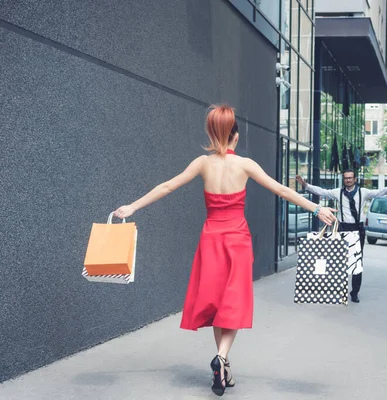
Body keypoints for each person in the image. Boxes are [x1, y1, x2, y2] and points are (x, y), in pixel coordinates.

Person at [113, 105, 337, 396]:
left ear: (211, 132)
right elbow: (282, 190)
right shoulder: (244, 165)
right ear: (236, 135)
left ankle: (224, 365)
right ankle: (221, 358)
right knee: (232, 303)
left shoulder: (203, 164)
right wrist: (317, 208)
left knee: (219, 304)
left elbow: (168, 186)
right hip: (237, 239)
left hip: (211, 238)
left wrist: (132, 206)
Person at [296, 171, 387, 303]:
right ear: (343, 180)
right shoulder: (337, 192)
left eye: (350, 178)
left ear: (355, 179)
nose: (348, 180)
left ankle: (354, 292)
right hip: (343, 227)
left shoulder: (364, 192)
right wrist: (305, 185)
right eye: (346, 178)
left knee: (357, 261)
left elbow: (378, 193)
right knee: (339, 260)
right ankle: (338, 289)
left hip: (358, 229)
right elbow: (321, 191)